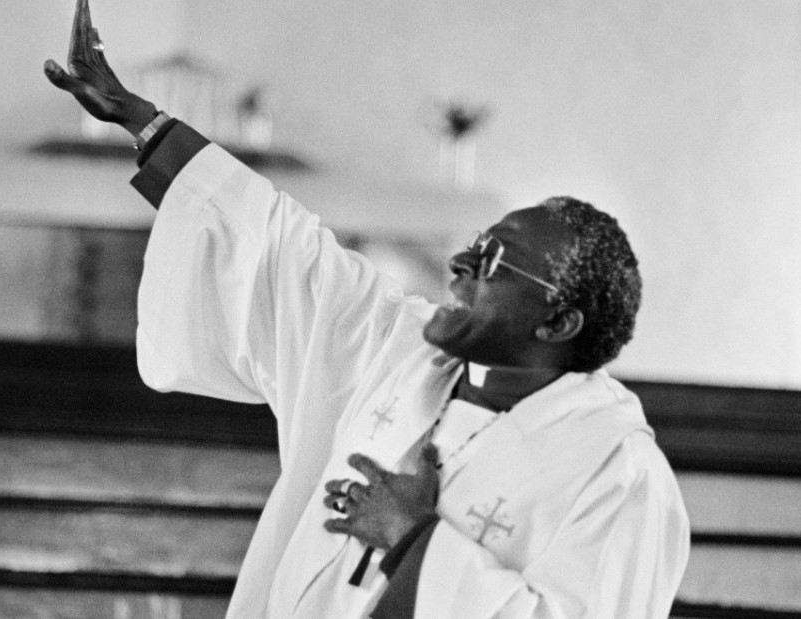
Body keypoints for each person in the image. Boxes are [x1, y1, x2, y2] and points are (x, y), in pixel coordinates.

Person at [45, 2, 690, 616]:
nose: (460, 263)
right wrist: (147, 124)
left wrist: (414, 539)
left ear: (556, 322)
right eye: (476, 242)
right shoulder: (403, 351)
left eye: (493, 260)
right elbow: (283, 251)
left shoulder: (618, 475)